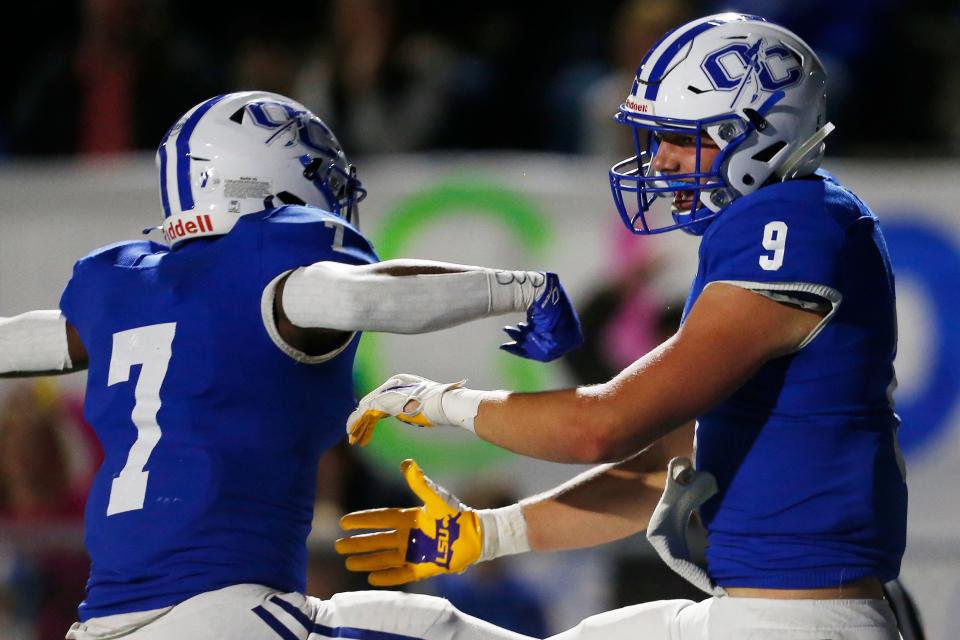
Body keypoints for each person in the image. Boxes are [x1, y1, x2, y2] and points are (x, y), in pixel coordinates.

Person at [342, 13, 907, 640]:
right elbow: (664, 466)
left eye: (681, 136)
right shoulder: (785, 223)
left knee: (399, 627)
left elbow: (600, 427)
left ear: (761, 135)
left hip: (800, 623)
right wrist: (487, 532)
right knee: (404, 624)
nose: (661, 161)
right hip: (756, 614)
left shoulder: (792, 223)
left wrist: (441, 401)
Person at [0, 90, 584, 639]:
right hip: (219, 611)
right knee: (435, 627)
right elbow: (358, 296)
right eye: (319, 177)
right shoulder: (270, 263)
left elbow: (38, 339)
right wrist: (521, 288)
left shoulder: (125, 289)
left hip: (103, 622)